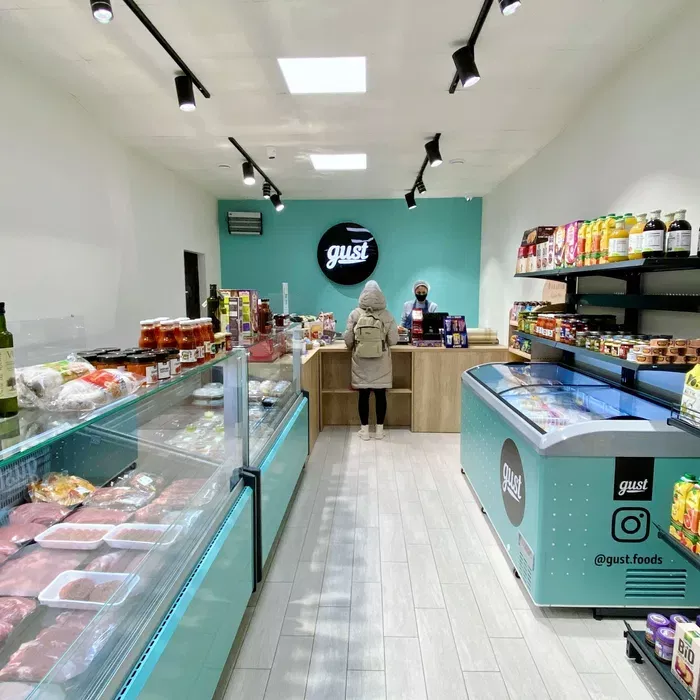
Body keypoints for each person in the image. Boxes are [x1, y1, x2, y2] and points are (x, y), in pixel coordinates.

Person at [344, 280, 399, 440]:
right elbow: (393, 340)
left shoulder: (355, 314)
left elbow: (348, 340)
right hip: (381, 362)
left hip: (360, 362)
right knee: (381, 395)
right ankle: (380, 431)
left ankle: (365, 431)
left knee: (363, 395)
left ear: (363, 295)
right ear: (380, 295)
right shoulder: (387, 315)